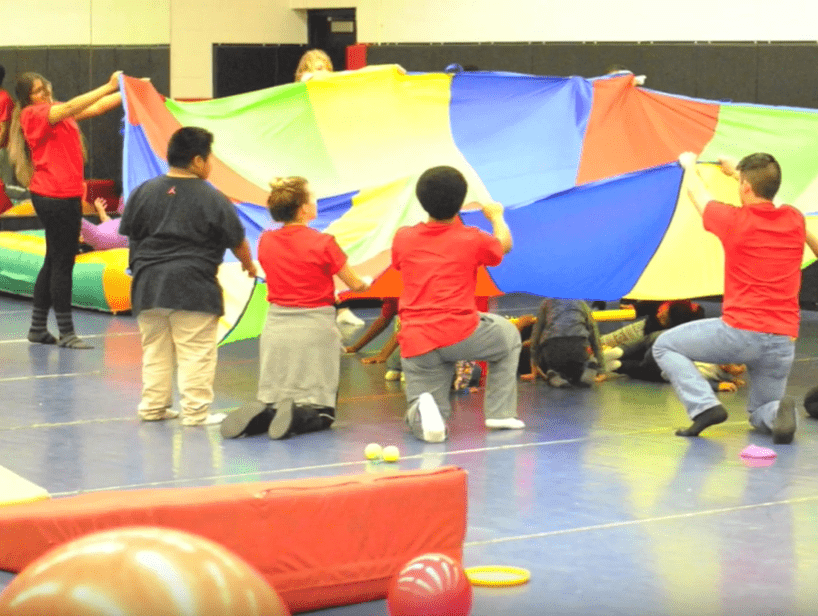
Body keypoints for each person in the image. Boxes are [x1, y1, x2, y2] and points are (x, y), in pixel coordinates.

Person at [652, 151, 809, 443]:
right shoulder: (793, 218)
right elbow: (763, 190)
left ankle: (704, 407)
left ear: (746, 187)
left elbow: (696, 192)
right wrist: (738, 172)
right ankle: (780, 414)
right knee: (760, 410)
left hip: (740, 335)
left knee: (665, 345)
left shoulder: (733, 220)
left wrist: (689, 164)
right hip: (782, 341)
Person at [119, 126, 257, 426]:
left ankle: (153, 407)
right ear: (197, 161)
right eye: (209, 159)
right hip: (192, 287)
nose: (211, 165)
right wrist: (249, 266)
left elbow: (132, 237)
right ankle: (195, 412)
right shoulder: (212, 198)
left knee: (155, 351)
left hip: (147, 286)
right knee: (195, 352)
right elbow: (237, 240)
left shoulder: (144, 191)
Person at [221, 176, 370, 440]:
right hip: (315, 327)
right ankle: (298, 416)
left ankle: (266, 413)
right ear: (303, 209)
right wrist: (366, 282)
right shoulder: (324, 243)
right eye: (311, 198)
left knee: (275, 395)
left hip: (276, 327)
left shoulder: (266, 241)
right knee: (321, 408)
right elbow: (355, 283)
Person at [391, 165, 523, 443]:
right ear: (461, 202)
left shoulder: (403, 238)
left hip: (416, 341)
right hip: (461, 333)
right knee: (508, 335)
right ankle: (499, 413)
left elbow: (398, 265)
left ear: (421, 200)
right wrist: (496, 216)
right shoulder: (472, 238)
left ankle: (426, 412)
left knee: (428, 416)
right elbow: (504, 244)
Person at [12, 71, 123, 348]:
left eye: (45, 88)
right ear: (28, 99)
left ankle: (38, 328)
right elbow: (75, 105)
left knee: (54, 260)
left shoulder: (55, 112)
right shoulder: (34, 114)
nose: (44, 94)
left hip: (61, 195)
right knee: (63, 262)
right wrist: (108, 84)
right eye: (37, 91)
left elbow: (94, 107)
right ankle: (67, 332)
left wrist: (127, 92)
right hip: (55, 196)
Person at [525, 298, 604, 387]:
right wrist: (601, 369)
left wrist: (534, 365)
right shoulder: (581, 303)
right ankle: (588, 365)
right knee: (577, 368)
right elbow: (594, 333)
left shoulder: (547, 303)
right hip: (578, 346)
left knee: (554, 363)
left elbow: (536, 333)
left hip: (553, 349)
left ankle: (553, 374)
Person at [0, 65, 14, 214]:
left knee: (5, 188)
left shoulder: (4, 98)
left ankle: (8, 218)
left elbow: (3, 129)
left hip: (2, 150)